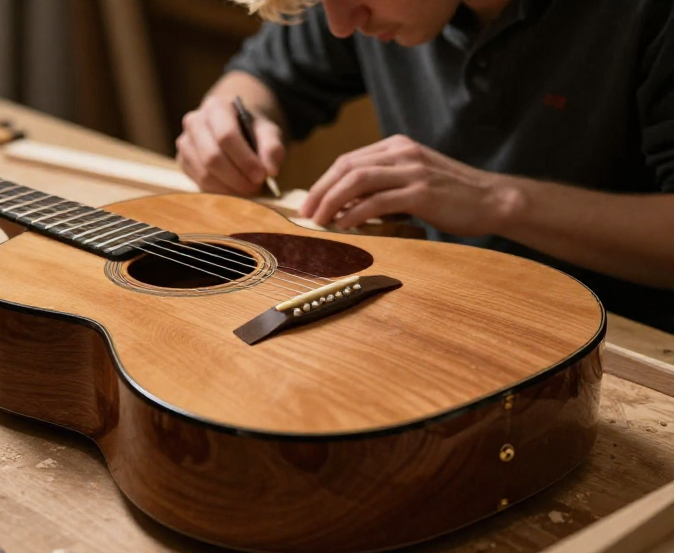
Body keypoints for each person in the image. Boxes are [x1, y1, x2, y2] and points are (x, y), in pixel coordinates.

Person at [176, 0, 674, 333]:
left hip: (624, 343)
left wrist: (498, 201)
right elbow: (259, 78)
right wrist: (229, 118)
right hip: (451, 312)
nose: (341, 24)